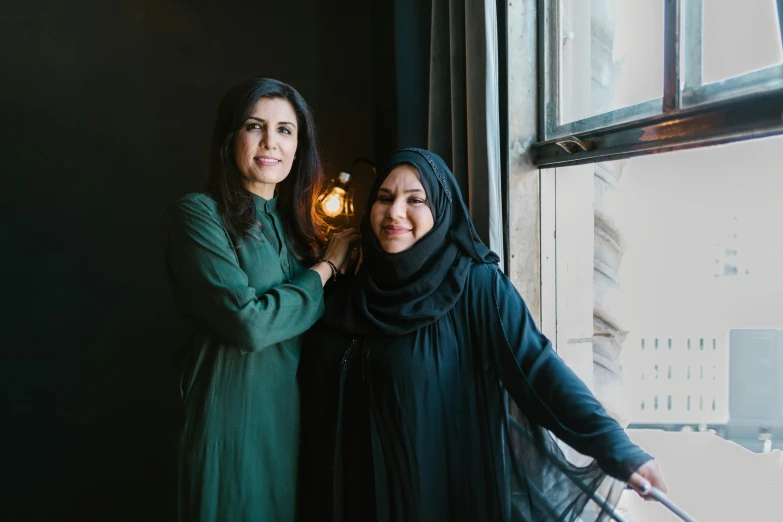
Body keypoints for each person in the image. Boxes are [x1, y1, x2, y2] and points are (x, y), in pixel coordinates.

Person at [297, 148, 666, 522]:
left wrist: (618, 448)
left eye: (416, 200)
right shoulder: (348, 287)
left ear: (442, 210)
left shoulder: (474, 285)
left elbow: (539, 369)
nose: (395, 212)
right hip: (344, 498)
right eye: (384, 197)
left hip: (430, 501)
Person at [162, 77, 360, 522]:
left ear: (298, 145)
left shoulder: (300, 231)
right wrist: (325, 269)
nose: (271, 142)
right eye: (255, 126)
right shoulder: (197, 215)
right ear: (231, 137)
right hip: (229, 421)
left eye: (285, 130)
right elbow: (248, 324)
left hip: (291, 425)